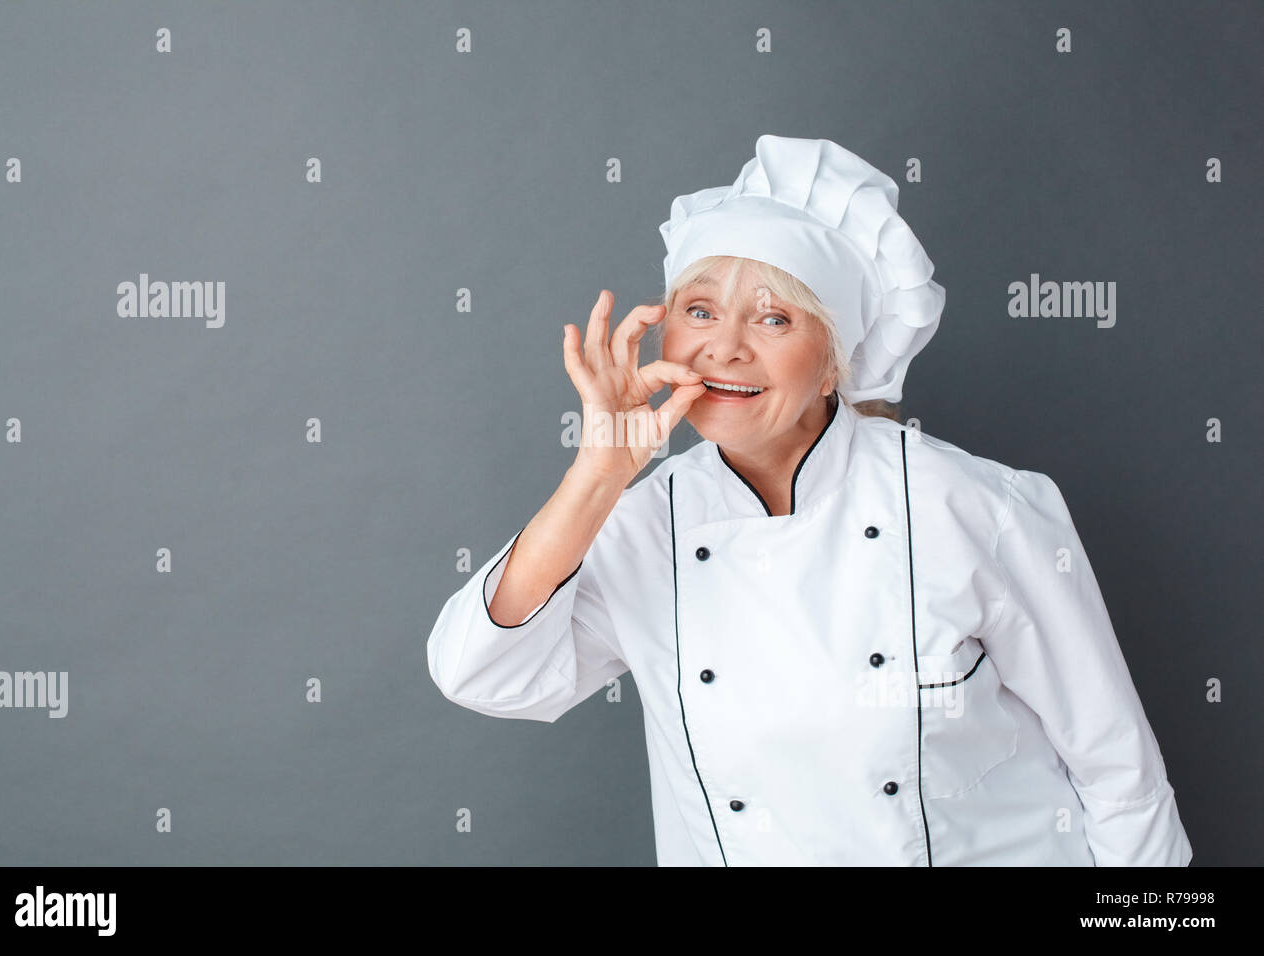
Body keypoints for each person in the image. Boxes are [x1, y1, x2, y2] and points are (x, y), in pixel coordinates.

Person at [426, 134, 1193, 866]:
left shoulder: (970, 509)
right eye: (698, 311)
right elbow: (482, 675)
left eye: (772, 318)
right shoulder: (640, 526)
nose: (724, 347)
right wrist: (597, 476)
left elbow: (1118, 772)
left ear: (834, 361)